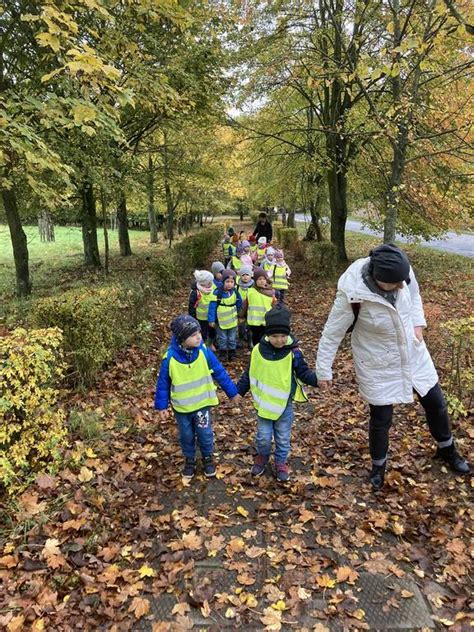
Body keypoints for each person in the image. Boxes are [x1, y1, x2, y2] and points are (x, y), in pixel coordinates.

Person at [315, 243, 470, 490]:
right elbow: (332, 333)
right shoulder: (352, 294)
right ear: (378, 278)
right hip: (377, 361)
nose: (401, 286)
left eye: (402, 281)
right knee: (381, 418)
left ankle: (447, 449)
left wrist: (418, 324)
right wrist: (323, 370)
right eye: (395, 283)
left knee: (436, 403)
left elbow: (415, 294)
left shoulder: (402, 273)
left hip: (412, 351)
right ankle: (379, 467)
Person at [237, 305, 318, 482]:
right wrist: (238, 392)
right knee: (264, 437)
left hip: (284, 404)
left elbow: (303, 372)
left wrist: (318, 380)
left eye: (283, 336)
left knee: (282, 437)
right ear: (267, 334)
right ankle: (262, 457)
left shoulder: (294, 352)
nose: (279, 340)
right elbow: (250, 372)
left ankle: (281, 462)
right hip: (263, 404)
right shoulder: (258, 350)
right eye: (274, 336)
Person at [155, 315, 240, 479]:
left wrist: (232, 392)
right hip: (182, 408)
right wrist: (161, 406)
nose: (199, 337)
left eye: (199, 333)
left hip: (202, 405)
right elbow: (163, 383)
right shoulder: (170, 358)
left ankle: (208, 458)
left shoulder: (203, 351)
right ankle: (190, 459)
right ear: (182, 339)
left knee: (204, 433)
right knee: (186, 434)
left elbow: (219, 371)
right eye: (193, 335)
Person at [208, 269, 242, 361]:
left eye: (232, 282)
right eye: (227, 281)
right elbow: (212, 307)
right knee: (222, 337)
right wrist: (211, 320)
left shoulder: (235, 292)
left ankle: (232, 351)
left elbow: (239, 303)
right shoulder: (217, 293)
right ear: (223, 281)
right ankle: (222, 352)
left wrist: (237, 313)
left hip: (232, 319)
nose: (229, 284)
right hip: (221, 320)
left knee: (232, 337)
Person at [240, 268, 277, 346]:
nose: (262, 281)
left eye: (264, 279)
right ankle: (256, 350)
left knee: (265, 337)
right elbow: (245, 304)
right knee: (255, 337)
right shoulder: (250, 291)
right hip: (254, 321)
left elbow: (274, 305)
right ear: (255, 280)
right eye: (259, 279)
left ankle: (265, 350)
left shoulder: (271, 293)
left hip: (266, 320)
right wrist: (241, 315)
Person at [188, 270, 216, 344]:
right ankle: (203, 345)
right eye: (209, 282)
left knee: (212, 331)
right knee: (203, 332)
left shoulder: (213, 288)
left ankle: (211, 343)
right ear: (203, 283)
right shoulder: (196, 293)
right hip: (201, 318)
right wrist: (193, 318)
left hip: (212, 317)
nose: (211, 283)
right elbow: (191, 307)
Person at [236, 265, 254, 350]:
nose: (245, 277)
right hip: (241, 310)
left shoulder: (253, 286)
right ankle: (241, 338)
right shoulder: (237, 286)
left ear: (251, 275)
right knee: (241, 325)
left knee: (250, 326)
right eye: (243, 275)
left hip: (250, 309)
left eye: (247, 274)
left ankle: (250, 341)